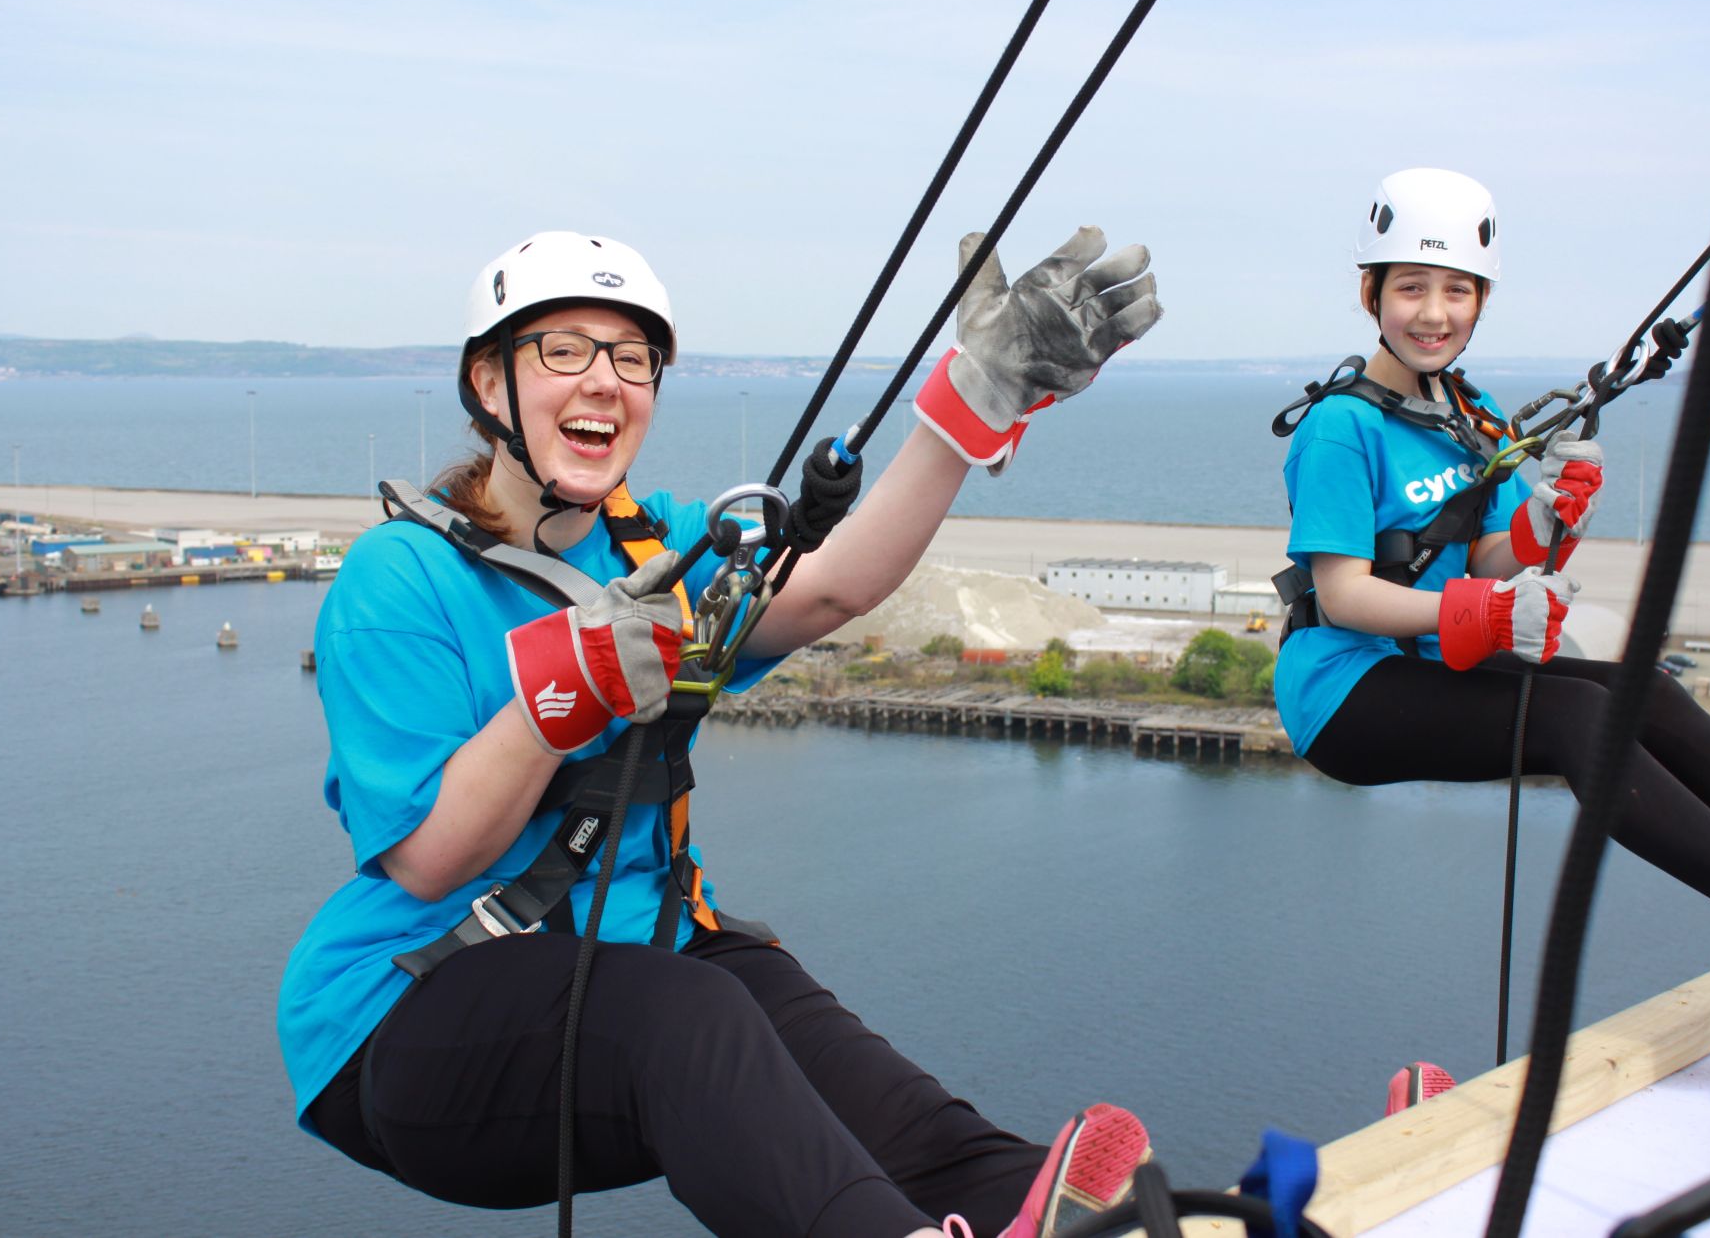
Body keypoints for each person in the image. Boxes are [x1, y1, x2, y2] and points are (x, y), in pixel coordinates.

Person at [278, 226, 1164, 1237]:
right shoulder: (401, 578)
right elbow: (430, 860)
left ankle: (1086, 1223)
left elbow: (826, 588)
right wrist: (566, 688)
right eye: (563, 350)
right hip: (407, 1012)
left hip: (649, 966)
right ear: (489, 384)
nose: (603, 381)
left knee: (897, 1118)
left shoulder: (654, 549)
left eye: (631, 359)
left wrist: (973, 402)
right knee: (682, 1013)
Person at [1271, 168, 1710, 913]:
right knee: (1576, 715)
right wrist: (1485, 612)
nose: (1434, 313)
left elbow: (1487, 556)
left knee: (1646, 691)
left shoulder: (1473, 411)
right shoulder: (1343, 426)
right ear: (1371, 293)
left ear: (1482, 300)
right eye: (1411, 288)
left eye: (1457, 291)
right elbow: (1342, 596)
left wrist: (1544, 522)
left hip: (1433, 660)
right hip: (1343, 689)